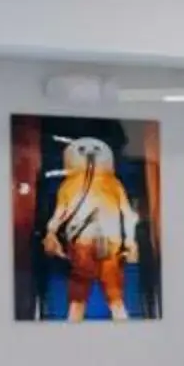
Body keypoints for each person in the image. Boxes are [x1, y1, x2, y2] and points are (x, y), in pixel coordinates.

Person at [42, 136, 140, 320]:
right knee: (115, 299)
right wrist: (130, 241)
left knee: (79, 298)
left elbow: (58, 215)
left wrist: (51, 232)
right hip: (109, 242)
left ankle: (70, 337)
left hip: (83, 243)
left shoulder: (68, 185)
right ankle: (127, 336)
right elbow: (129, 215)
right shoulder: (114, 183)